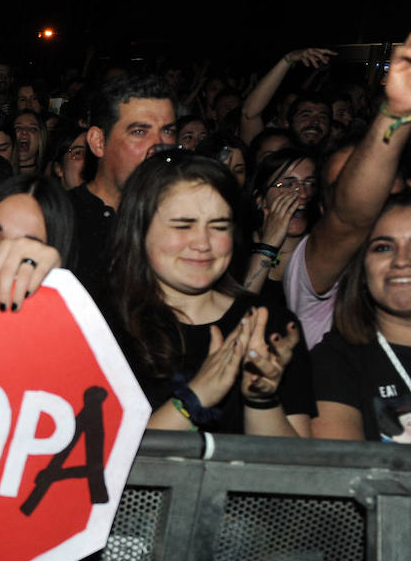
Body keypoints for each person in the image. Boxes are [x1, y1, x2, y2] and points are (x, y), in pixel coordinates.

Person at [103, 151, 311, 436]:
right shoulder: (102, 327)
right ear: (139, 230)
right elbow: (97, 466)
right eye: (183, 225)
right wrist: (193, 399)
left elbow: (298, 473)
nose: (203, 243)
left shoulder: (269, 324)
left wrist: (262, 400)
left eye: (218, 226)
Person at [283, 19, 411, 348]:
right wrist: (399, 111)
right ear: (325, 208)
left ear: (409, 186)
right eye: (341, 187)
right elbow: (352, 217)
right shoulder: (312, 270)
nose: (361, 193)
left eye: (380, 179)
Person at [312, 191, 411, 443]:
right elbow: (342, 474)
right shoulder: (335, 362)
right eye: (383, 248)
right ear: (362, 268)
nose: (401, 261)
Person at [70, 74, 178, 293]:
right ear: (98, 142)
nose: (159, 145)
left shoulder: (185, 219)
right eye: (139, 132)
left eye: (167, 131)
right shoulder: (63, 219)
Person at [241, 148, 318, 302]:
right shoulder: (236, 248)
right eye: (288, 184)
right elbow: (237, 312)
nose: (303, 193)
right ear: (260, 199)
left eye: (310, 183)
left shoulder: (321, 249)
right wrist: (268, 246)